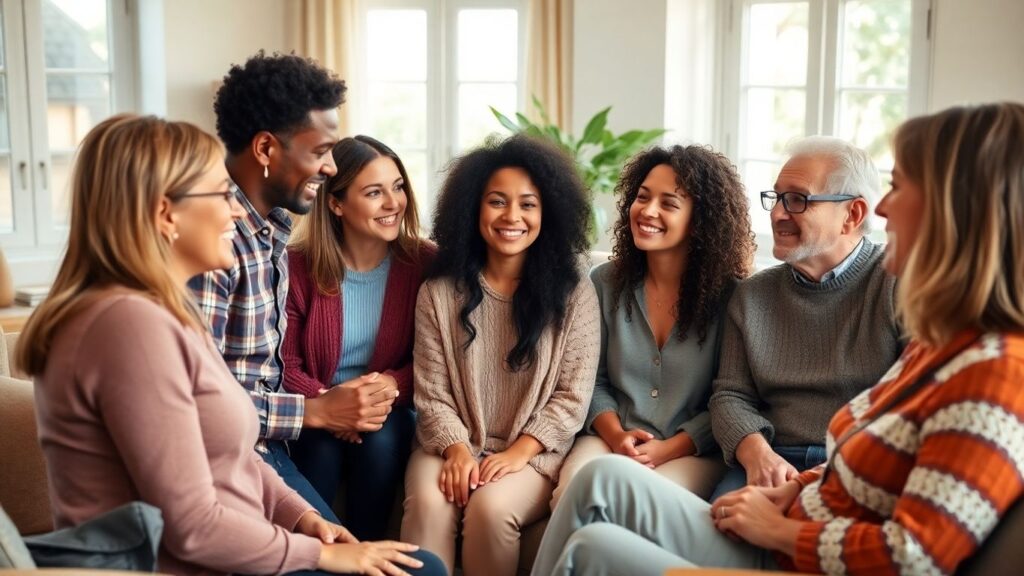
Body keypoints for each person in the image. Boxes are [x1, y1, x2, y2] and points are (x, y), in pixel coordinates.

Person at [530, 102, 1024, 576]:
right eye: (778, 197)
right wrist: (789, 486)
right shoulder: (942, 347)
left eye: (900, 187)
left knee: (592, 548)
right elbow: (738, 399)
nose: (885, 207)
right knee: (599, 479)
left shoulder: (992, 372)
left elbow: (917, 556)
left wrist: (780, 532)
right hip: (789, 498)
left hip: (795, 552)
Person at [18, 114, 446, 576]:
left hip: (237, 542)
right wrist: (319, 553)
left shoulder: (164, 314)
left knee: (416, 562)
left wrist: (304, 517)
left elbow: (231, 454)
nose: (239, 212)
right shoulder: (129, 327)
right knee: (423, 568)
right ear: (167, 214)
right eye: (223, 195)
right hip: (201, 561)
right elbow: (193, 527)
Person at [189, 52, 386, 522]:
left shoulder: (270, 232)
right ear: (265, 149)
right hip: (234, 462)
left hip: (267, 451)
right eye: (320, 151)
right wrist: (315, 412)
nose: (333, 168)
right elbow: (198, 407)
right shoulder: (215, 243)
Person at [401, 134, 601, 575]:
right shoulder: (438, 293)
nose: (512, 216)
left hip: (532, 453)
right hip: (446, 445)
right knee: (430, 506)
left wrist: (517, 454)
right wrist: (456, 450)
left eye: (528, 204)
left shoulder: (575, 292)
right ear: (473, 208)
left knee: (491, 509)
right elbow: (431, 394)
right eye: (497, 202)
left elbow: (573, 396)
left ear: (547, 213)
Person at [551, 145, 754, 509]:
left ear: (699, 221)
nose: (648, 211)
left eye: (669, 204)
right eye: (642, 197)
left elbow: (731, 397)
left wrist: (667, 449)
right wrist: (616, 436)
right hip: (610, 435)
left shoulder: (733, 298)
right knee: (573, 497)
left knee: (639, 507)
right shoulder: (604, 283)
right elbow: (590, 380)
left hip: (691, 451)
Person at [708, 136, 902, 499]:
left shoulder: (897, 283)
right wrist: (758, 455)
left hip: (859, 464)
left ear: (853, 215)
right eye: (777, 197)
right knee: (722, 523)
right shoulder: (751, 296)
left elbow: (914, 403)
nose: (778, 213)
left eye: (798, 199)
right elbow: (730, 395)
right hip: (773, 458)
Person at [283, 135, 433, 541]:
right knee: (318, 447)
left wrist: (387, 387)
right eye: (374, 192)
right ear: (336, 202)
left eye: (398, 187)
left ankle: (368, 556)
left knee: (380, 441)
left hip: (388, 409)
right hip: (315, 405)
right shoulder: (296, 266)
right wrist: (331, 405)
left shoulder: (425, 263)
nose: (393, 203)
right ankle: (317, 561)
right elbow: (285, 364)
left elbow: (438, 359)